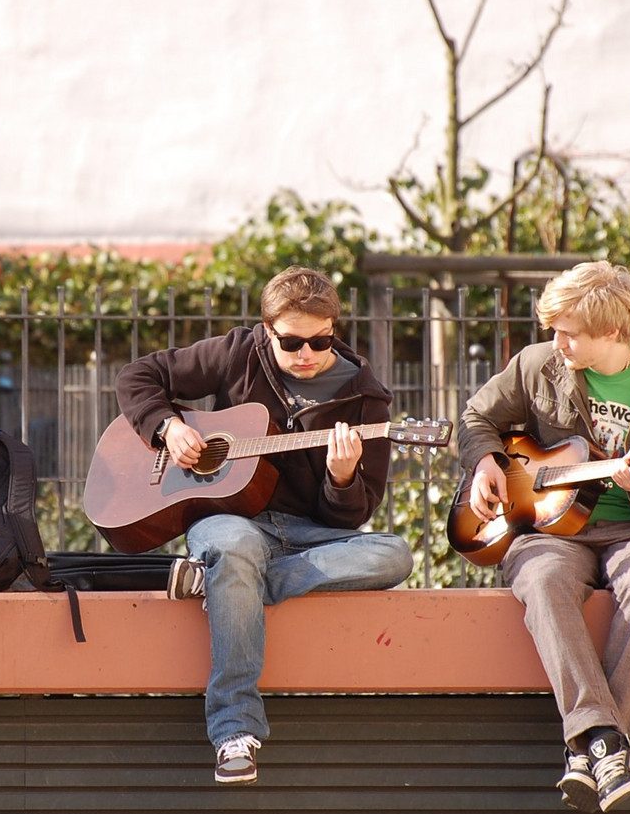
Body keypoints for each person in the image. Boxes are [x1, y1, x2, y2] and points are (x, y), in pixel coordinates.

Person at [116, 266, 414, 785]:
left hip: (306, 535)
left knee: (394, 554)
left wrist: (342, 477)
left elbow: (351, 515)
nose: (306, 354)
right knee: (232, 546)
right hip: (230, 521)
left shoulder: (366, 401)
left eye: (320, 341)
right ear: (268, 330)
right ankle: (235, 731)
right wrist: (169, 427)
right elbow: (136, 377)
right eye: (293, 341)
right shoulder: (238, 353)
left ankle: (234, 583)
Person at [458, 261, 630, 813]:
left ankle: (591, 746)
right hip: (551, 529)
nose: (557, 342)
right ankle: (613, 747)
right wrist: (484, 463)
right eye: (554, 329)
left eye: (569, 333)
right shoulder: (537, 366)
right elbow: (476, 417)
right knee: (543, 578)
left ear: (615, 331)